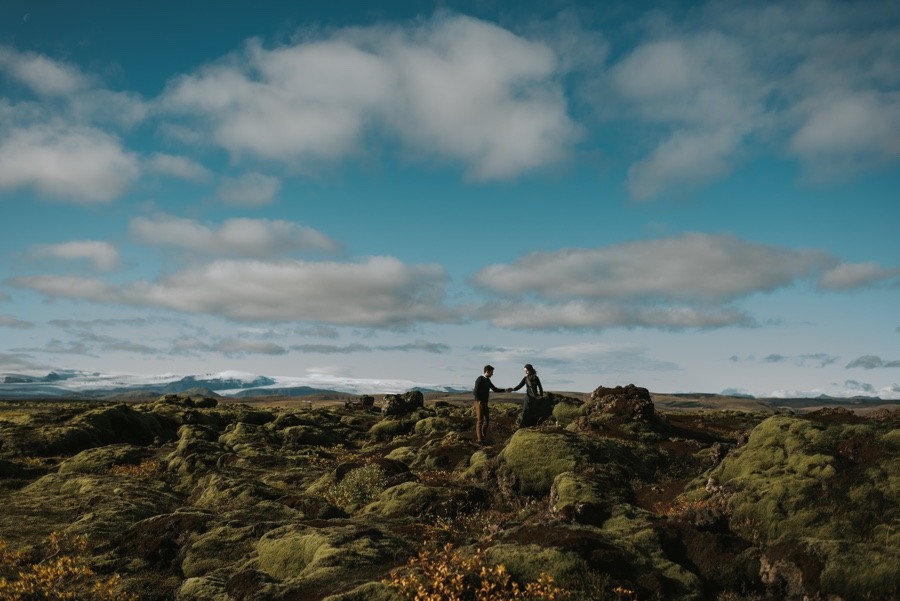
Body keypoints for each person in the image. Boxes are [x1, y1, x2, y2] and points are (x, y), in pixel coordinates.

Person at [473, 364, 504, 445]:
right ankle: (480, 440)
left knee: (487, 421)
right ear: (487, 371)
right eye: (492, 372)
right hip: (479, 403)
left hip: (485, 403)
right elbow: (475, 391)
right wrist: (479, 401)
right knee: (480, 421)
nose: (492, 374)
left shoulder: (487, 380)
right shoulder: (480, 379)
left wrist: (505, 390)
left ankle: (483, 437)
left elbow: (495, 389)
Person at [509, 363, 544, 428]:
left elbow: (540, 387)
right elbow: (519, 386)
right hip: (529, 398)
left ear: (530, 370)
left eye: (527, 370)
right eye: (524, 371)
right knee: (525, 412)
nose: (525, 372)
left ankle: (530, 426)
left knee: (532, 413)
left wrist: (541, 396)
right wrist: (512, 389)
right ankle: (521, 427)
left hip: (534, 398)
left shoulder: (536, 378)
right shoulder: (526, 378)